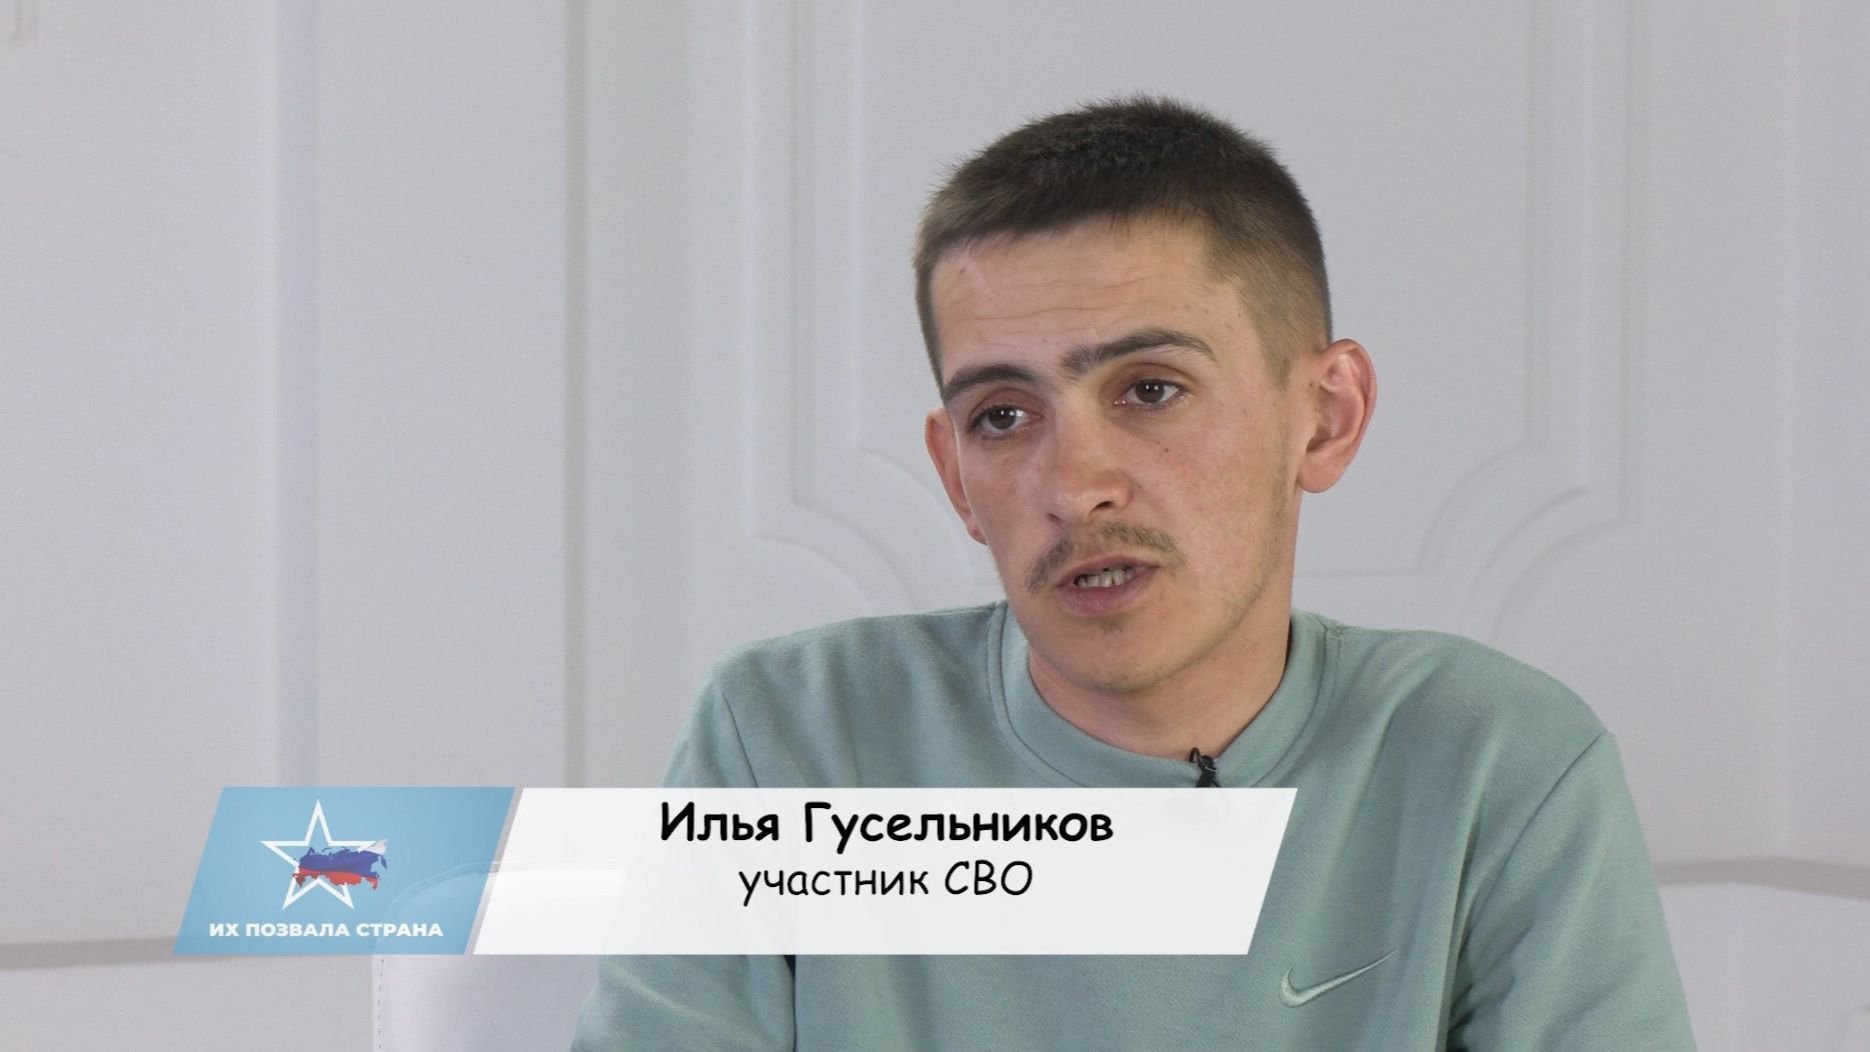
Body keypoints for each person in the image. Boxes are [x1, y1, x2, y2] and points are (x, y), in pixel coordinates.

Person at [573, 96, 1695, 1049]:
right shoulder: (785, 738)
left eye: (1150, 390)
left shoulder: (1499, 763)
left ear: (1325, 416)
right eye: (1002, 415)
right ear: (955, 474)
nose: (1076, 487)